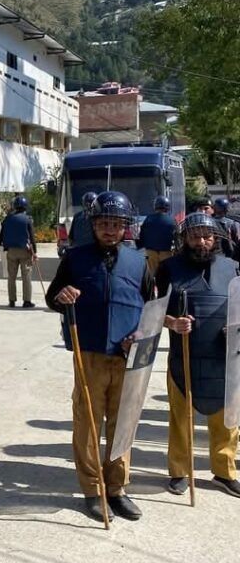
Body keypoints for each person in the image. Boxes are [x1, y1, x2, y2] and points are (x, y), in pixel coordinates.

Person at [46, 191, 153, 522]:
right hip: (89, 352)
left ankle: (117, 488)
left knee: (123, 423)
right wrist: (62, 295)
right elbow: (53, 297)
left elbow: (151, 307)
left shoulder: (139, 261)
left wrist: (141, 334)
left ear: (126, 228)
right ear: (93, 225)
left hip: (127, 356)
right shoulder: (76, 258)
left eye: (116, 224)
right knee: (88, 423)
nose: (110, 230)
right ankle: (92, 490)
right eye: (104, 223)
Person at [155, 212, 240, 498]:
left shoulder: (234, 268)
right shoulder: (167, 269)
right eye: (195, 236)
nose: (201, 241)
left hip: (224, 358)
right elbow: (153, 312)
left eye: (207, 236)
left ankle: (224, 472)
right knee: (180, 418)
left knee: (227, 420)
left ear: (216, 238)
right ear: (185, 239)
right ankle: (179, 472)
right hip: (184, 356)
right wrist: (172, 322)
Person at [0, 195, 37, 309]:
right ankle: (26, 301)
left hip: (11, 251)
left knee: (12, 277)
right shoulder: (27, 219)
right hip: (25, 251)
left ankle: (12, 301)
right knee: (26, 277)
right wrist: (35, 252)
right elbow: (32, 237)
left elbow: (0, 237)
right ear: (25, 207)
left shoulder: (7, 219)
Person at [137, 195, 177, 276]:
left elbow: (142, 235)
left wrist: (140, 246)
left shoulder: (148, 219)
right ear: (168, 207)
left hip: (150, 252)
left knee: (150, 276)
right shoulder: (172, 221)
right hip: (166, 253)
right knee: (166, 276)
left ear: (155, 206)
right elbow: (176, 237)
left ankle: (151, 288)